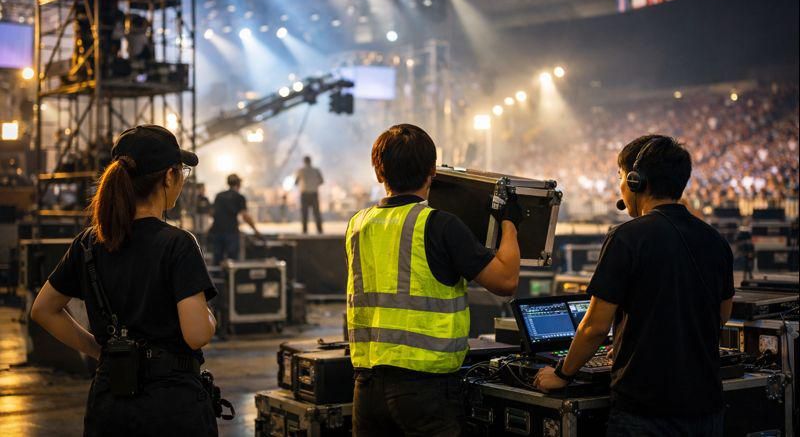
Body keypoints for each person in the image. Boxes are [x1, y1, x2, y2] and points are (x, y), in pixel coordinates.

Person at [533, 135, 735, 437]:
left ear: (635, 180)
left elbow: (595, 327)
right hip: (707, 409)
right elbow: (722, 314)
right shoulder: (716, 240)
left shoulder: (626, 237)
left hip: (645, 411)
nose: (620, 186)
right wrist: (638, 343)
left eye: (620, 176)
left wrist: (562, 373)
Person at [30, 124, 218, 436]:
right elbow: (197, 334)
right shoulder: (178, 244)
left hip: (109, 400)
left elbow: (43, 309)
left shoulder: (88, 242)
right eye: (182, 172)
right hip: (171, 404)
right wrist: (210, 317)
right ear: (169, 176)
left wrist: (100, 351)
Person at [346, 124, 524, 436]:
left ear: (378, 172)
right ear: (432, 172)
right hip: (425, 391)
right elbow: (505, 280)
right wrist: (509, 222)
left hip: (367, 387)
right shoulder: (440, 225)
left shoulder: (357, 225)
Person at [209, 173, 262, 263]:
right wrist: (255, 230)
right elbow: (245, 216)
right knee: (232, 261)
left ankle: (217, 271)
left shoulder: (219, 195)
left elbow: (211, 213)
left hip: (217, 230)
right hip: (231, 232)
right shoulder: (239, 197)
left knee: (217, 260)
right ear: (239, 184)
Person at [295, 155, 324, 234]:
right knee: (316, 213)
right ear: (310, 161)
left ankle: (304, 230)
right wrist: (314, 184)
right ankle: (319, 230)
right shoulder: (316, 170)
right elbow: (321, 181)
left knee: (304, 213)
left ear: (304, 161)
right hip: (314, 193)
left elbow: (296, 182)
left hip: (304, 194)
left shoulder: (300, 170)